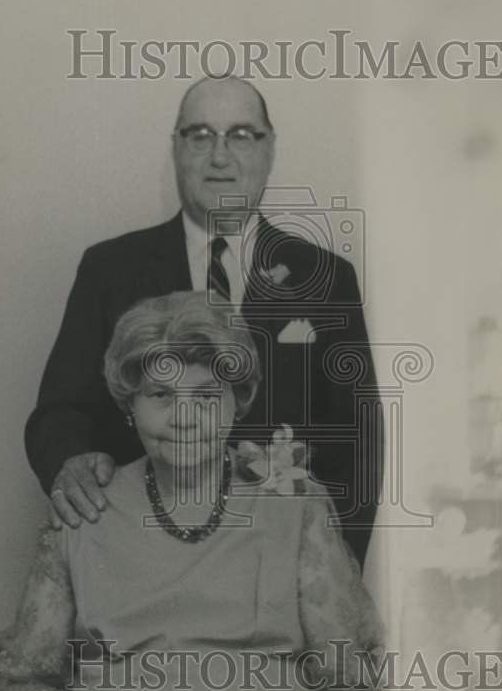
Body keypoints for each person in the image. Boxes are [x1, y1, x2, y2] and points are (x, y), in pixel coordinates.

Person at [0, 292, 387, 691]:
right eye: (160, 394)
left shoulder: (293, 501)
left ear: (238, 401)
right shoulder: (85, 507)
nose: (184, 417)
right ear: (129, 404)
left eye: (206, 394)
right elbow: (13, 686)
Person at [25, 75, 382, 569]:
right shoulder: (109, 269)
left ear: (270, 148)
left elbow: (356, 441)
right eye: (200, 135)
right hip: (138, 558)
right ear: (176, 148)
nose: (219, 156)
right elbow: (59, 412)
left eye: (241, 134)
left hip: (276, 564)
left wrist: (333, 570)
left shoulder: (325, 279)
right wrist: (69, 463)